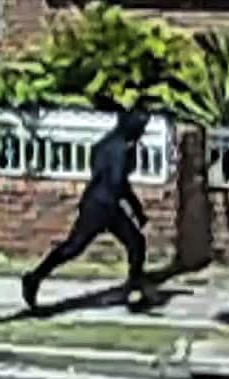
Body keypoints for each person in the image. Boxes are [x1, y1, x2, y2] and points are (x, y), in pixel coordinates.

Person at [22, 109, 156, 310]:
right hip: (102, 207)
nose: (142, 133)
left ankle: (134, 286)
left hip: (98, 202)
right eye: (141, 128)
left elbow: (102, 170)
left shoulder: (108, 142)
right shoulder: (120, 148)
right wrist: (136, 209)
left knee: (134, 242)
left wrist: (135, 210)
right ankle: (34, 278)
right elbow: (119, 183)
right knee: (74, 247)